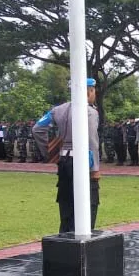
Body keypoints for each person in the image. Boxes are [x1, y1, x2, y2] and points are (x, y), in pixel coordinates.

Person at [32, 78, 100, 233]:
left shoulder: (58, 110)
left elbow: (37, 129)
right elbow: (91, 140)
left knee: (66, 204)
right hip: (83, 162)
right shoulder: (90, 112)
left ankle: (65, 242)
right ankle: (83, 242)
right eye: (94, 90)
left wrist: (51, 153)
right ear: (89, 90)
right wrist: (94, 167)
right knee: (88, 204)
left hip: (63, 161)